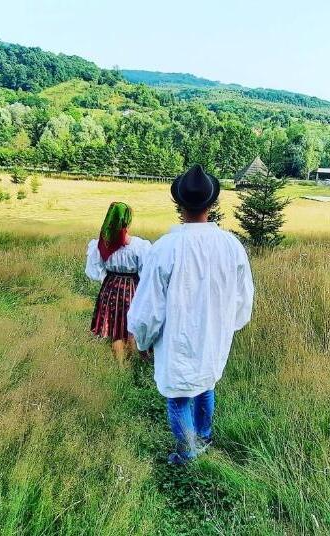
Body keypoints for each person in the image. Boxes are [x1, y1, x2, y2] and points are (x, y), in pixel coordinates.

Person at [128, 165, 254, 465]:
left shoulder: (165, 248)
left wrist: (143, 340)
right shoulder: (231, 245)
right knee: (205, 383)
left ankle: (187, 454)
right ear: (211, 205)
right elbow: (243, 296)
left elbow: (149, 308)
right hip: (213, 334)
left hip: (178, 337)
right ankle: (204, 436)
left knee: (180, 395)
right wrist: (226, 326)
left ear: (179, 205)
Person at [86, 202, 151, 366]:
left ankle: (120, 368)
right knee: (131, 327)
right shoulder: (138, 246)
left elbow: (94, 271)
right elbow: (146, 272)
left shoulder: (101, 245)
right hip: (132, 289)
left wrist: (107, 279)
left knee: (116, 330)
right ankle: (132, 366)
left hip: (110, 288)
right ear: (127, 221)